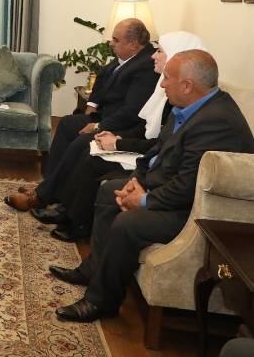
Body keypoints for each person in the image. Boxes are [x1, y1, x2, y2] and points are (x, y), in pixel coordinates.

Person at [48, 50, 254, 323]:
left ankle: (101, 302)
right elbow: (156, 152)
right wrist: (136, 182)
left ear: (187, 85)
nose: (162, 84)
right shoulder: (188, 107)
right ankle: (92, 270)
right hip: (168, 189)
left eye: (167, 79)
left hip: (194, 212)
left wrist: (143, 200)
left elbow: (187, 187)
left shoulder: (217, 122)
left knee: (128, 223)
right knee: (109, 190)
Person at [38, 32, 206, 242]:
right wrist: (114, 136)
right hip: (144, 147)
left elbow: (155, 141)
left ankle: (77, 222)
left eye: (160, 51)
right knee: (89, 144)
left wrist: (118, 142)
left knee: (91, 156)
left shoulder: (179, 98)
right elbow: (146, 129)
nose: (153, 55)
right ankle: (64, 207)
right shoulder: (169, 89)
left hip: (152, 158)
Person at [6, 18, 159, 211]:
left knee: (82, 141)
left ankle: (41, 197)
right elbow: (103, 75)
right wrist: (92, 105)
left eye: (116, 40)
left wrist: (98, 126)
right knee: (67, 124)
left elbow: (131, 112)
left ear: (134, 44)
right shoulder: (128, 57)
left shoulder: (146, 67)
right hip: (107, 116)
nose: (111, 43)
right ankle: (51, 186)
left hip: (124, 126)